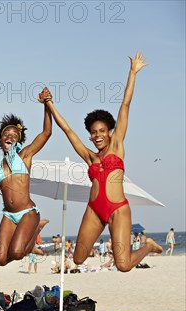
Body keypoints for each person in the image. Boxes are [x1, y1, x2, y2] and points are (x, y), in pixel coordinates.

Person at [41, 52, 163, 271]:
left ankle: (147, 247)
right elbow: (67, 129)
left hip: (118, 209)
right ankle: (139, 248)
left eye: (102, 131)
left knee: (123, 265)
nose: (97, 135)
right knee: (78, 259)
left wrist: (133, 72)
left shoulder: (116, 146)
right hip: (94, 210)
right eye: (93, 132)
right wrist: (49, 104)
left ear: (109, 133)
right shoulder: (90, 157)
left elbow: (125, 105)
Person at [0, 89, 52, 266]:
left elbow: (46, 133)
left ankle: (37, 227)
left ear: (19, 141)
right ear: (0, 139)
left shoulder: (25, 156)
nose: (10, 137)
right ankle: (27, 245)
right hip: (8, 215)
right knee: (0, 260)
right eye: (6, 134)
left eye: (14, 136)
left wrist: (46, 105)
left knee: (17, 253)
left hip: (28, 213)